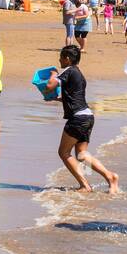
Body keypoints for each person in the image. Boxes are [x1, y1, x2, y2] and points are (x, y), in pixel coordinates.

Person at [46, 45, 119, 192]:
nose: (59, 59)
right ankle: (110, 176)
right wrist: (59, 99)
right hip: (87, 116)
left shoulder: (69, 71)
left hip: (78, 118)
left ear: (67, 59)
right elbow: (75, 97)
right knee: (81, 154)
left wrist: (54, 73)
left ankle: (85, 185)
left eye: (61, 57)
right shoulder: (78, 73)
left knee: (63, 152)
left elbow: (49, 85)